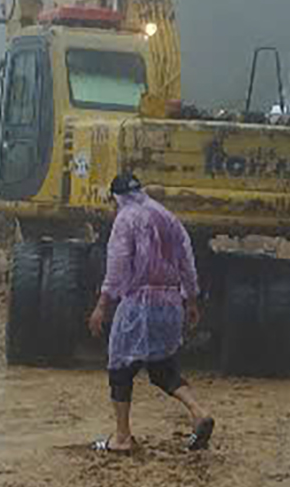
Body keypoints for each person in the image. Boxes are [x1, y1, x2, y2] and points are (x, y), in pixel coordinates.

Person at [88, 172, 214, 455]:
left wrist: (102, 304)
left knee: (120, 367)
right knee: (162, 367)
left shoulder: (126, 219)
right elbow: (187, 261)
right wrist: (191, 300)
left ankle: (121, 437)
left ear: (117, 197)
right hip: (170, 302)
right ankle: (198, 412)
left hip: (138, 304)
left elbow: (118, 265)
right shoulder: (167, 217)